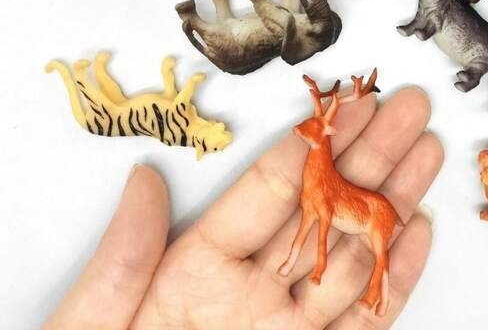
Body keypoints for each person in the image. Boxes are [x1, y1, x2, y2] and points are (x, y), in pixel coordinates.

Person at [45, 86, 443, 329]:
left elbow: (323, 222)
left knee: (378, 256)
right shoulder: (313, 175)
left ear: (325, 133)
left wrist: (319, 265)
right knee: (319, 222)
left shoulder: (337, 174)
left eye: (313, 128)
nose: (303, 130)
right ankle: (335, 274)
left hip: (366, 212)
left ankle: (378, 290)